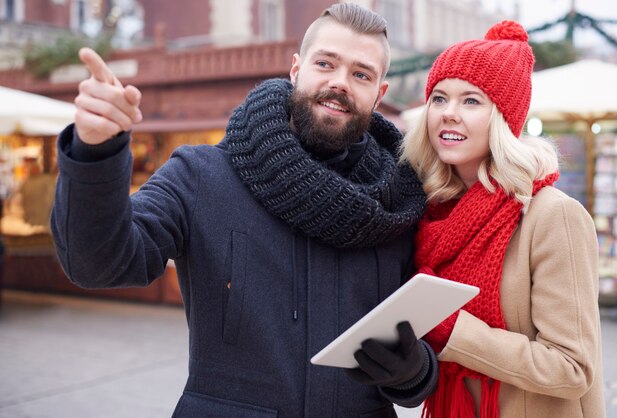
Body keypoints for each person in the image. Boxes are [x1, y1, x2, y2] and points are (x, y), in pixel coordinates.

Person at [51, 4, 438, 417]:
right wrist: (96, 152)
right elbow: (99, 263)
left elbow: (418, 373)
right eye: (325, 63)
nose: (339, 83)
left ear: (379, 94)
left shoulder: (399, 201)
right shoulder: (200, 175)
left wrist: (414, 369)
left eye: (361, 74)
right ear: (295, 69)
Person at [401, 20, 605, 417]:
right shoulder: (430, 212)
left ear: (503, 119)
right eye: (439, 99)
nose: (449, 114)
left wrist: (453, 330)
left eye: (471, 101)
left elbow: (573, 368)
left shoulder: (551, 216)